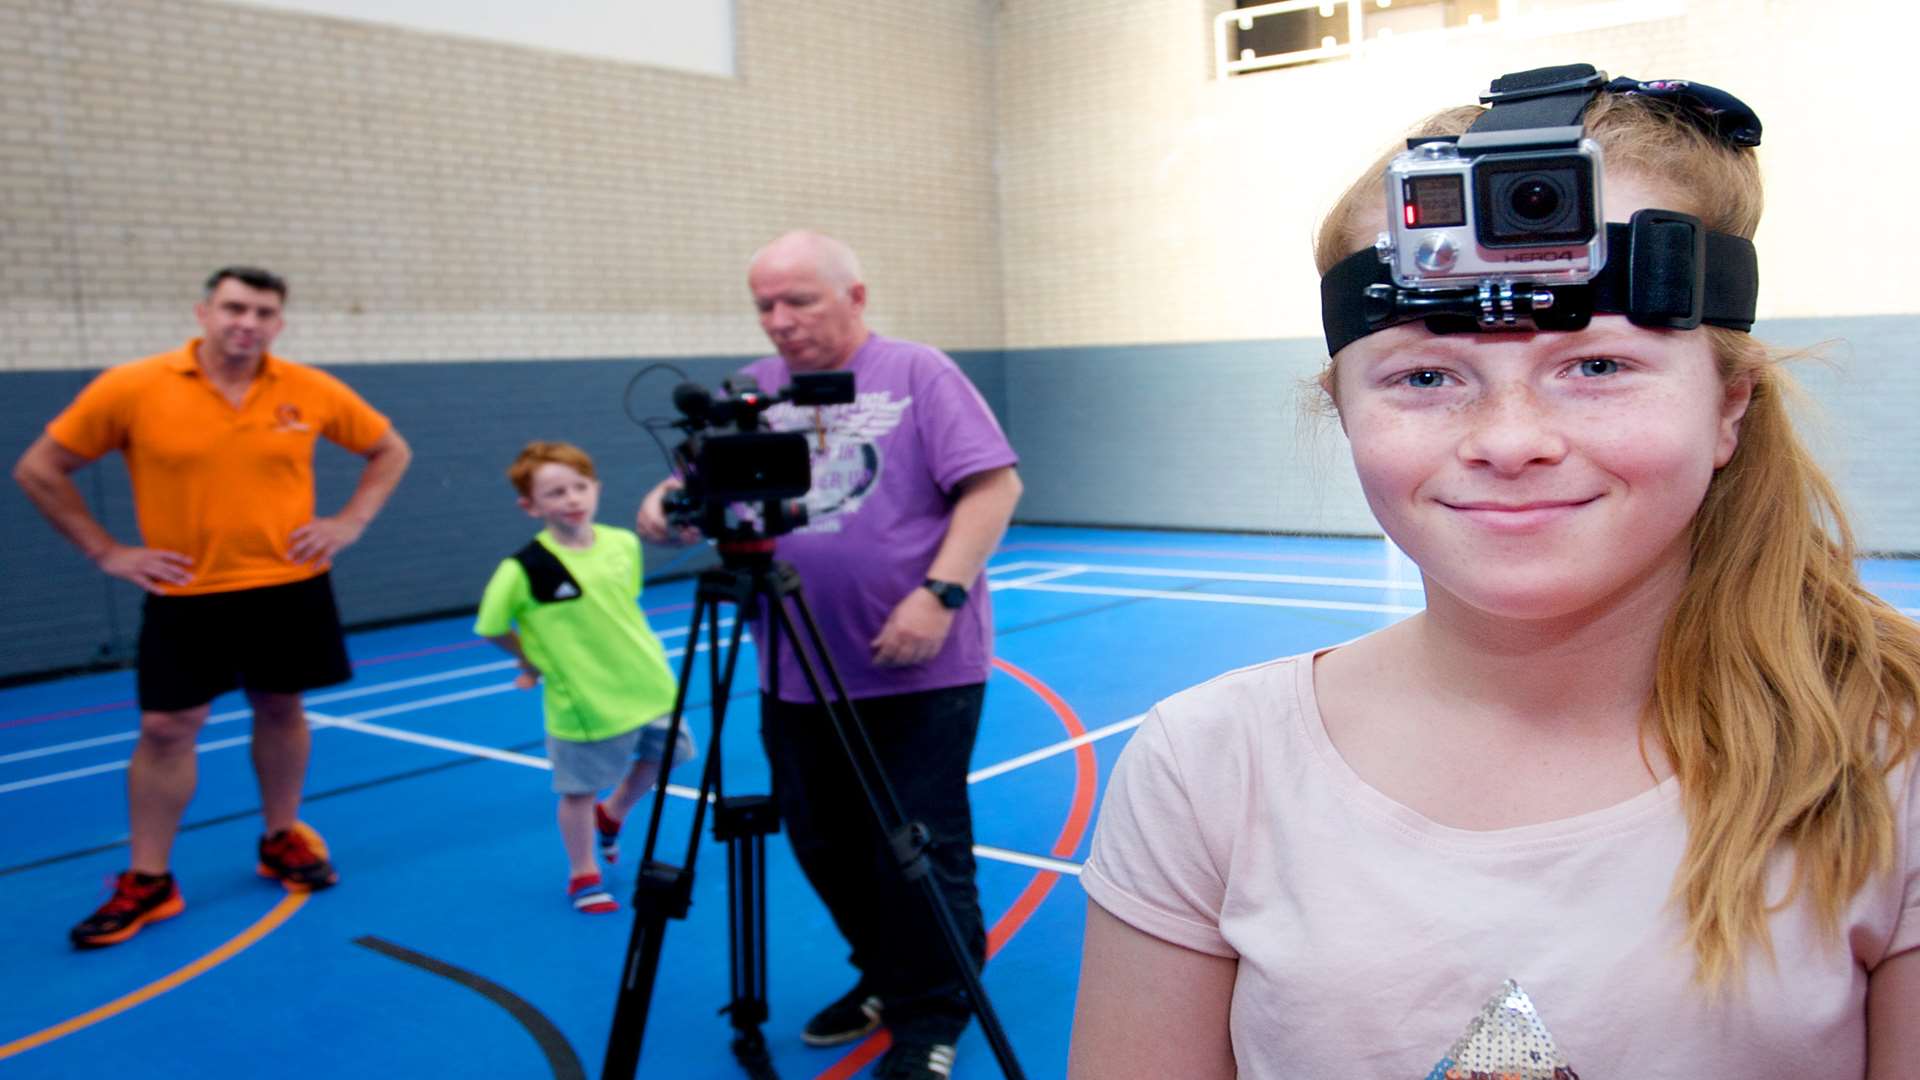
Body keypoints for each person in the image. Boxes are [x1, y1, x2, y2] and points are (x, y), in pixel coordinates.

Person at [1069, 70, 1920, 1078]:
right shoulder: (1206, 768)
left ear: (1728, 407)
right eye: (1426, 377)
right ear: (1345, 409)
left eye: (1597, 366)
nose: (1510, 442)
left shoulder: (1889, 757)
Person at [638, 231, 1022, 1080]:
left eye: (798, 301)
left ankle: (930, 1018)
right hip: (795, 668)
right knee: (823, 843)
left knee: (918, 844)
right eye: (764, 306)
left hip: (920, 666)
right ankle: (886, 977)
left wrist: (940, 594)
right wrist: (665, 506)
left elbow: (994, 486)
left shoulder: (919, 373)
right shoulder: (750, 392)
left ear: (854, 296)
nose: (779, 322)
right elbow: (690, 489)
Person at [14, 266, 413, 949]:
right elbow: (39, 468)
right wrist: (108, 552)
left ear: (278, 324)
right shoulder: (133, 387)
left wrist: (348, 523)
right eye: (234, 307)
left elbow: (389, 450)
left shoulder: (307, 389)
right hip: (186, 592)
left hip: (289, 584)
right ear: (204, 311)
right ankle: (149, 878)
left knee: (282, 706)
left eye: (263, 312)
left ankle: (281, 835)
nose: (247, 323)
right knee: (168, 726)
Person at [474, 440, 693, 914]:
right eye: (555, 493)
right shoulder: (523, 568)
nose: (571, 499)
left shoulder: (623, 543)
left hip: (650, 685)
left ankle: (613, 814)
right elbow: (491, 626)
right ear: (530, 506)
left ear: (596, 489)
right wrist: (529, 659)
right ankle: (583, 873)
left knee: (672, 755)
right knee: (576, 791)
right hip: (585, 703)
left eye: (579, 487)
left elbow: (622, 603)